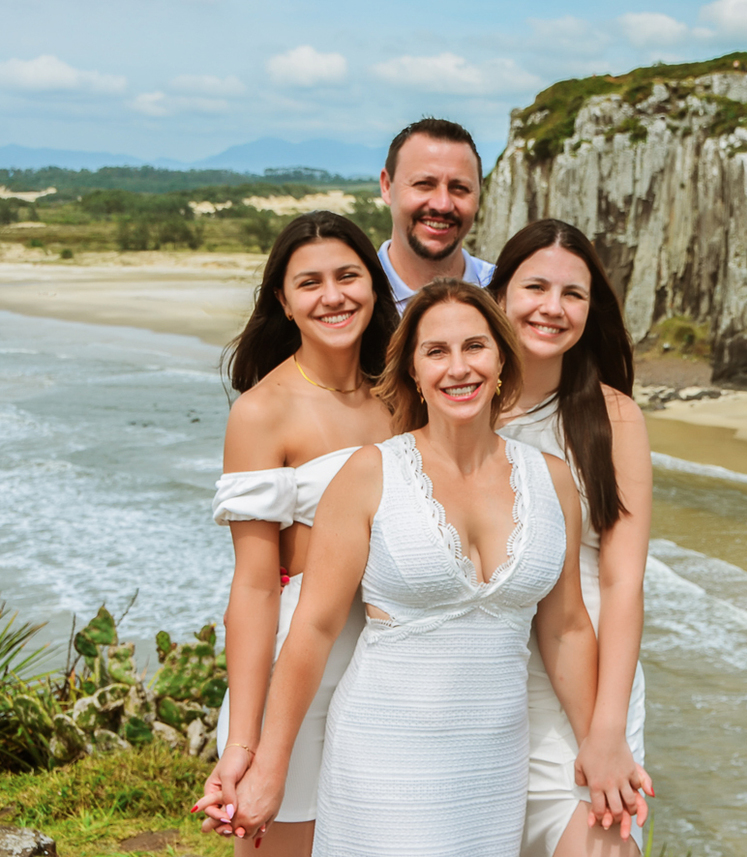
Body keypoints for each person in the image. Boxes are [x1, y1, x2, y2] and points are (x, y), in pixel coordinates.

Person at [212, 280, 606, 856]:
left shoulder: (553, 480)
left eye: (475, 346)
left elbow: (566, 627)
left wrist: (601, 744)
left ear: (501, 359)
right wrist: (270, 765)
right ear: (414, 373)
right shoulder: (370, 474)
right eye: (436, 351)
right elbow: (313, 630)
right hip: (382, 759)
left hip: (493, 767)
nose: (458, 368)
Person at [198, 211, 401, 857]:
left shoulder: (404, 396)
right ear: (283, 302)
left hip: (395, 669)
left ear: (374, 285)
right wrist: (245, 739)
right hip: (300, 673)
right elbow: (256, 586)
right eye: (309, 283)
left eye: (348, 276)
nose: (333, 296)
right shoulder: (263, 411)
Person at [489, 219, 653, 857]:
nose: (552, 308)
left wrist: (607, 728)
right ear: (499, 293)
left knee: (602, 842)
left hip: (589, 684)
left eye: (573, 294)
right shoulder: (453, 404)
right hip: (480, 680)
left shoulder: (613, 417)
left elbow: (623, 580)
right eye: (535, 287)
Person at [378, 118, 495, 310]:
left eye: (459, 188)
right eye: (424, 184)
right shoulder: (351, 300)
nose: (443, 205)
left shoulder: (505, 295)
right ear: (386, 186)